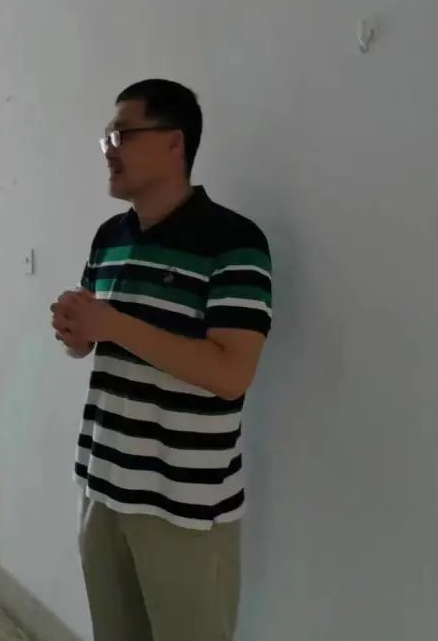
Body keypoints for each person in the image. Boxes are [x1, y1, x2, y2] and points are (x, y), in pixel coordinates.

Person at [51, 79, 273, 641]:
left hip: (185, 505)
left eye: (122, 134)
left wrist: (112, 324)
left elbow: (230, 374)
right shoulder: (109, 238)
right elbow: (99, 339)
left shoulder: (234, 242)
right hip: (102, 485)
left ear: (175, 142)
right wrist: (78, 335)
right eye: (106, 137)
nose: (109, 150)